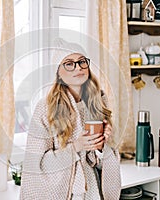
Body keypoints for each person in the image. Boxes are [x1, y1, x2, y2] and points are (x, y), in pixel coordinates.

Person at [20, 38, 121, 200]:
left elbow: (101, 164)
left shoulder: (97, 102)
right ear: (58, 72)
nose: (78, 68)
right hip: (68, 193)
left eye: (82, 62)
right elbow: (37, 165)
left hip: (94, 191)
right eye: (69, 63)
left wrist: (102, 146)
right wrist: (76, 147)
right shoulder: (46, 108)